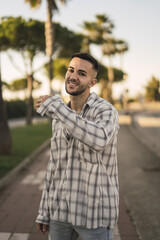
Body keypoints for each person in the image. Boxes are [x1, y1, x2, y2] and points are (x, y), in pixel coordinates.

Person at [35, 52, 119, 240]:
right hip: (59, 213)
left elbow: (99, 140)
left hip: (93, 215)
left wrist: (58, 108)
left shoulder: (106, 111)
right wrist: (44, 210)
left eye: (81, 73)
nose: (73, 76)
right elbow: (54, 166)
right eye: (71, 70)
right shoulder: (60, 114)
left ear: (92, 82)